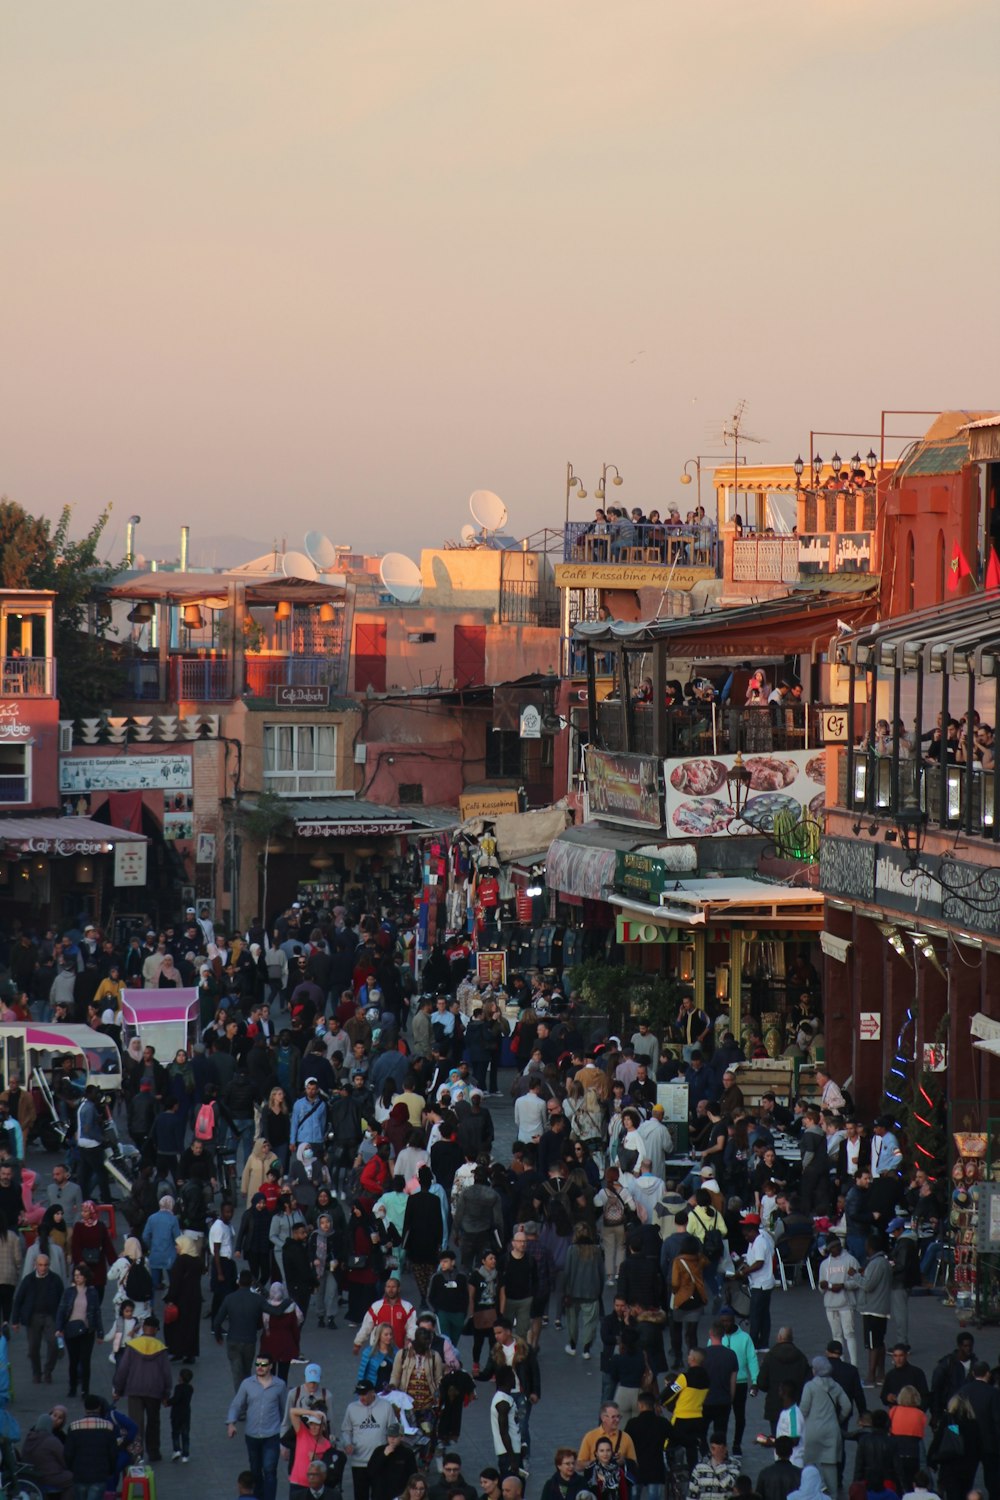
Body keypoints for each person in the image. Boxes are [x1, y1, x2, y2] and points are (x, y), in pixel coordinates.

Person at [111, 1312, 173, 1463]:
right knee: (154, 1422)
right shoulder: (161, 1349)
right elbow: (166, 1373)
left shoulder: (133, 1346)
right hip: (155, 1391)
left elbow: (123, 1369)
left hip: (134, 1390)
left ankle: (137, 1454)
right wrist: (166, 1394)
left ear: (143, 1328)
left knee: (136, 1423)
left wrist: (118, 1389)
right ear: (156, 1330)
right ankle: (154, 1452)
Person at [227, 1356, 288, 1500]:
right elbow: (237, 1404)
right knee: (255, 1471)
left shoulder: (279, 1385)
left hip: (272, 1435)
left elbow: (284, 1409)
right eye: (257, 1364)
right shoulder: (247, 1384)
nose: (260, 1367)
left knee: (269, 1470)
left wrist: (285, 1437)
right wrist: (231, 1423)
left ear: (271, 1366)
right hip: (252, 1435)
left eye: (264, 1364)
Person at [799, 1356, 851, 1498]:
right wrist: (838, 1420)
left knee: (809, 1463)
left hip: (812, 1430)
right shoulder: (835, 1386)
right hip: (831, 1430)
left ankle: (810, 1493)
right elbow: (847, 1406)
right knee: (830, 1465)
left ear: (815, 1370)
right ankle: (833, 1495)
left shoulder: (810, 1386)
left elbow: (803, 1409)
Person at [11, 1249, 64, 1384]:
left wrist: (62, 1320)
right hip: (33, 1316)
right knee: (33, 1347)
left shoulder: (55, 1279)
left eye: (45, 1265)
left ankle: (48, 1371)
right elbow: (18, 1300)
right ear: (35, 1264)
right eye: (40, 1265)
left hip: (50, 1316)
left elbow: (62, 1300)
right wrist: (15, 1320)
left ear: (49, 1265)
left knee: (53, 1344)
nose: (43, 1268)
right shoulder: (28, 1280)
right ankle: (36, 1372)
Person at [55, 1263, 103, 1399]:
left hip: (87, 1331)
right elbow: (62, 1310)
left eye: (80, 1275)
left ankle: (85, 1390)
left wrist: (100, 1332)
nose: (77, 1278)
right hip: (71, 1330)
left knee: (85, 1361)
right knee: (74, 1360)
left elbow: (96, 1312)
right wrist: (59, 1328)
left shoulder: (92, 1292)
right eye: (75, 1275)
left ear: (86, 1277)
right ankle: (72, 1387)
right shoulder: (69, 1292)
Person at [340, 1378, 392, 1500]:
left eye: (364, 1394)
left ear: (372, 1392)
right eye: (359, 1394)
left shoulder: (386, 1406)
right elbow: (346, 1430)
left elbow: (392, 1429)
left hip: (380, 1461)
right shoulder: (352, 1408)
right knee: (360, 1497)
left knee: (380, 1496)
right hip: (359, 1462)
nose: (361, 1398)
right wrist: (347, 1443)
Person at [65, 1395, 120, 1500]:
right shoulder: (108, 1426)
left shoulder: (74, 1427)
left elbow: (68, 1453)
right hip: (99, 1475)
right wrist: (110, 1470)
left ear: (85, 1408)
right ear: (99, 1407)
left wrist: (72, 1469)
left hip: (79, 1475)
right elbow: (113, 1453)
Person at [738, 1212, 776, 1350]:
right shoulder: (754, 1241)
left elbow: (759, 1263)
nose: (745, 1236)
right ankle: (763, 1342)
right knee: (763, 1314)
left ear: (753, 1230)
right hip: (762, 1283)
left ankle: (754, 1342)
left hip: (761, 1284)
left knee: (756, 1315)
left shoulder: (760, 1242)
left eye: (747, 1233)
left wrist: (744, 1272)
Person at [625, 1391, 670, 1500]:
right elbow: (677, 1438)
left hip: (636, 1469)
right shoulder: (662, 1422)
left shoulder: (632, 1423)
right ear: (654, 1405)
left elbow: (625, 1443)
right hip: (655, 1469)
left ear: (640, 1405)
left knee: (634, 1496)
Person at [21, 1414, 74, 1500]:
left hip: (31, 1477)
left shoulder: (29, 1439)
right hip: (49, 1477)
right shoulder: (52, 1440)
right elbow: (65, 1460)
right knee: (74, 1478)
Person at [490, 1366, 523, 1482]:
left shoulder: (506, 1398)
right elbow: (503, 1432)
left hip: (512, 1451)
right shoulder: (502, 1402)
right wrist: (512, 1458)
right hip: (508, 1454)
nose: (515, 1379)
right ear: (507, 1379)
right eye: (513, 1376)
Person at [369, 1424, 417, 1500]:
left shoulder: (407, 1453)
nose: (392, 1439)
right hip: (380, 1495)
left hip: (400, 1495)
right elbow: (371, 1471)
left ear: (401, 1437)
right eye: (389, 1436)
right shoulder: (379, 1450)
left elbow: (413, 1475)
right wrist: (384, 1455)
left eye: (395, 1436)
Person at [686, 1434, 740, 1500]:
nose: (715, 1453)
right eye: (713, 1448)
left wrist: (719, 1464)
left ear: (725, 1448)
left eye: (719, 1449)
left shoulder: (734, 1464)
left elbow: (729, 1486)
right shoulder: (700, 1466)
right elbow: (692, 1493)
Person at [169, 1365, 194, 1463]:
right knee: (185, 1434)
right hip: (186, 1414)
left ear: (181, 1378)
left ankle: (176, 1450)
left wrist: (168, 1402)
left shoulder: (178, 1387)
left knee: (175, 1433)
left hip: (176, 1414)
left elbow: (176, 1399)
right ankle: (185, 1455)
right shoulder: (190, 1388)